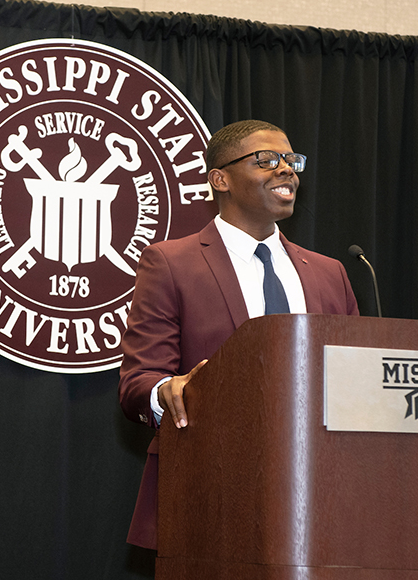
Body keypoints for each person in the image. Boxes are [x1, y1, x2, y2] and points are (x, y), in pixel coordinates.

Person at [117, 119, 359, 549]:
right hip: (211, 491)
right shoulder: (172, 264)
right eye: (267, 160)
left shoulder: (329, 273)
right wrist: (167, 391)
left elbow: (357, 379)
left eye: (291, 160)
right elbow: (139, 382)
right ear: (220, 179)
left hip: (323, 494)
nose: (287, 170)